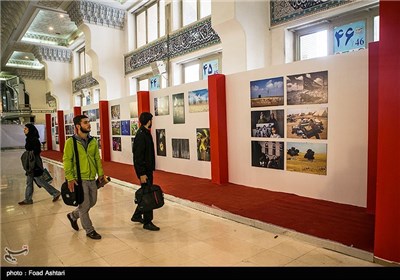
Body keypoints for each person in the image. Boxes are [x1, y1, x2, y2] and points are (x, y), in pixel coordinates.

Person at [63, 115, 106, 240]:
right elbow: (67, 160)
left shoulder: (92, 141)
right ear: (78, 126)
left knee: (92, 202)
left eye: (88, 122)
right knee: (84, 205)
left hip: (92, 177)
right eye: (85, 122)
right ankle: (89, 230)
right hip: (79, 179)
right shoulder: (71, 142)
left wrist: (101, 173)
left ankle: (72, 216)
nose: (89, 124)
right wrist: (70, 178)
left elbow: (97, 158)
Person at [19, 124, 61, 205]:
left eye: (26, 128)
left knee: (40, 181)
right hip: (30, 163)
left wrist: (30, 155)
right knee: (29, 182)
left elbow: (37, 151)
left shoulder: (34, 140)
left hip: (33, 163)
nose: (24, 130)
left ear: (30, 130)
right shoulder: (28, 139)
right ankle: (28, 199)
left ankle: (55, 192)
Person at [131, 112, 160, 231]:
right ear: (149, 121)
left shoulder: (145, 133)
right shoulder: (141, 135)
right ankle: (148, 222)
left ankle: (137, 215)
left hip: (147, 170)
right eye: (151, 120)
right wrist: (141, 173)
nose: (152, 122)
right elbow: (137, 157)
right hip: (145, 172)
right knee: (148, 195)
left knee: (145, 193)